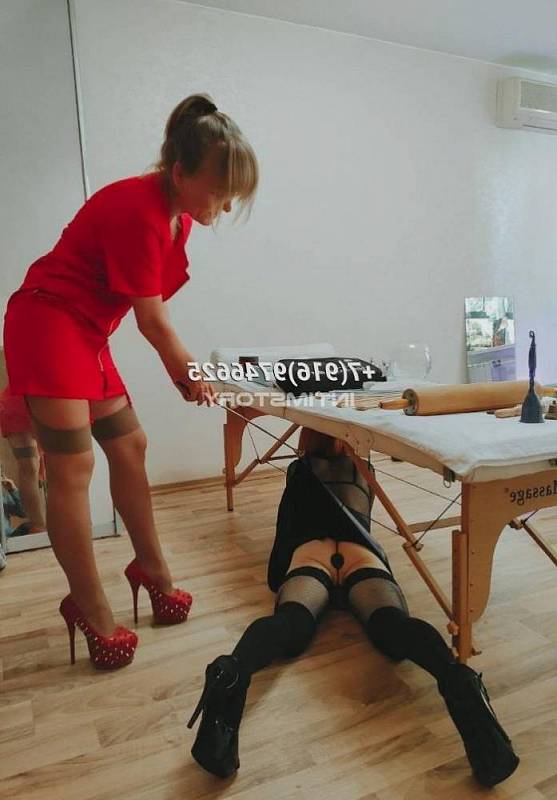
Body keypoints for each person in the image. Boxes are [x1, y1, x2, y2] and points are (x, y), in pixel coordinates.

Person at [2, 94, 258, 669]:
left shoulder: (177, 218)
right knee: (72, 466)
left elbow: (148, 310)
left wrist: (184, 373)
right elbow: (152, 321)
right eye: (220, 190)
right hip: (47, 321)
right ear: (180, 173)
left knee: (130, 445)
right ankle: (88, 605)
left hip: (86, 332)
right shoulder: (139, 210)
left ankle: (150, 569)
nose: (226, 204)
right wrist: (189, 374)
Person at [187, 428, 519, 787]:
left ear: (307, 441)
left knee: (291, 623)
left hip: (312, 552)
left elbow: (285, 534)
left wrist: (283, 573)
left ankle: (232, 671)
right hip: (360, 553)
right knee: (392, 625)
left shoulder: (297, 470)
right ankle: (457, 678)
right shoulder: (365, 470)